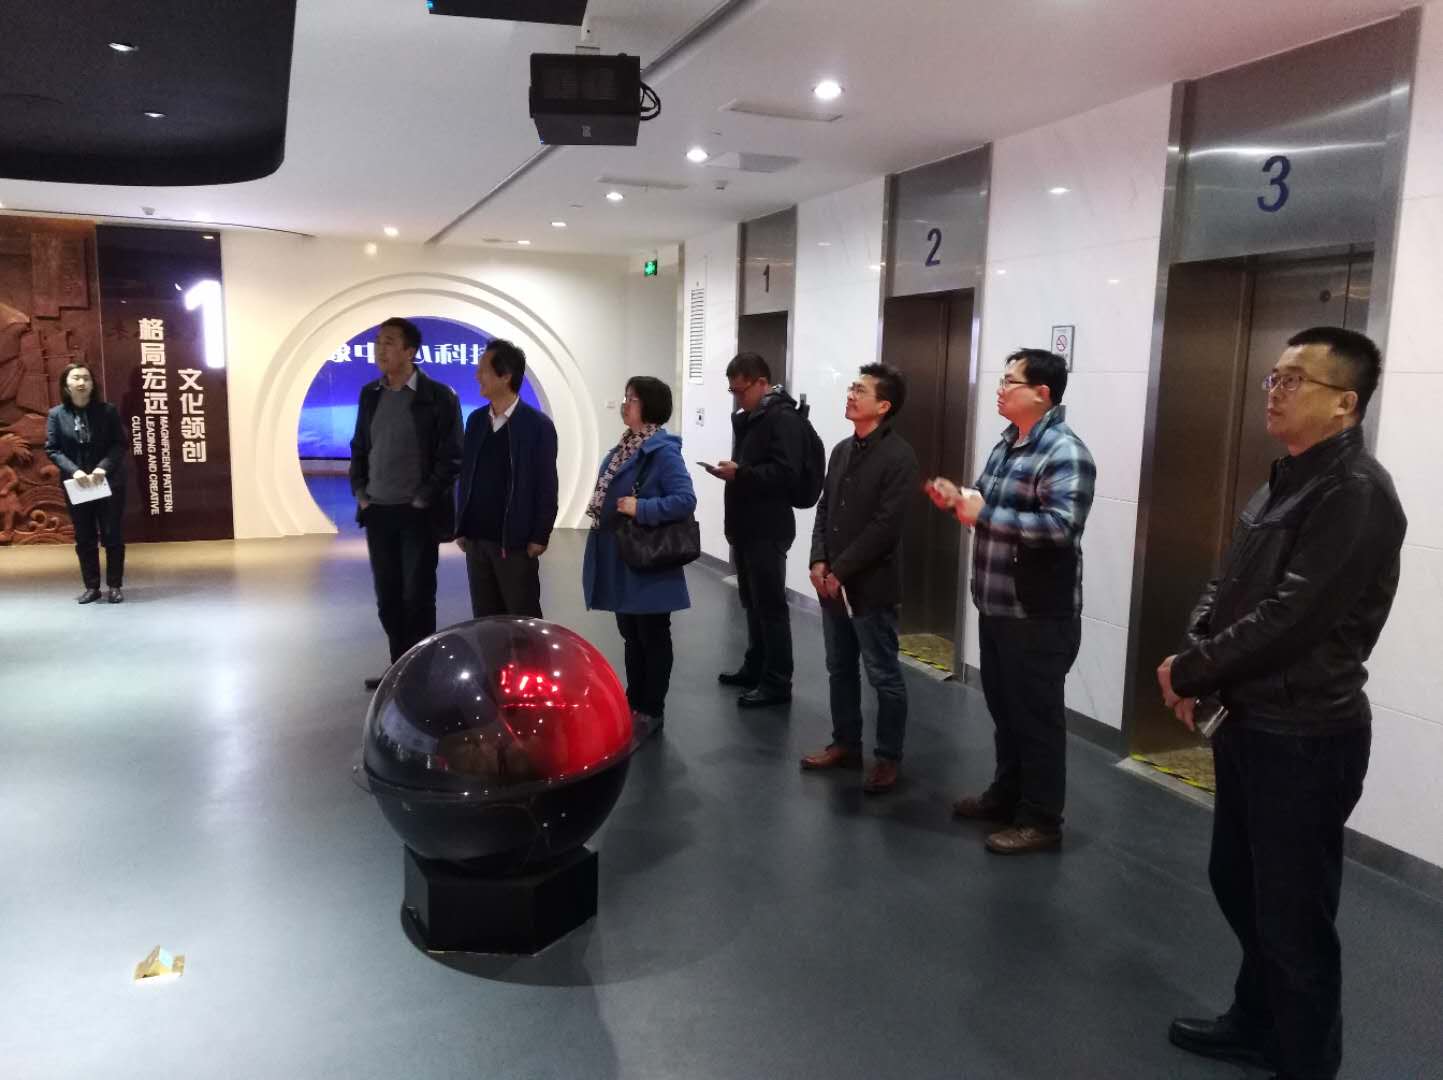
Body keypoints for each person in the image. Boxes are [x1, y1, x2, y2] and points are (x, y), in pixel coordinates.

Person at [1158, 327, 1406, 1080]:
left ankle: (1305, 1060)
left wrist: (1190, 670)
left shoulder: (1356, 493)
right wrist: (1196, 660)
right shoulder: (1285, 479)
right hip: (1252, 719)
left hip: (1305, 734)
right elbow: (1227, 581)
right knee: (1238, 882)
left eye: (1293, 380)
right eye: (1272, 376)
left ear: (1344, 404)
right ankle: (1255, 1022)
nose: (1273, 390)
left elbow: (1292, 618)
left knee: (1294, 915)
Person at [926, 347, 1095, 854]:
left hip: (1037, 613)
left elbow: (1060, 529)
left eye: (1009, 382)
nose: (999, 390)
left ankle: (1041, 819)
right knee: (1006, 711)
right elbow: (984, 501)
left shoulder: (1065, 452)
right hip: (996, 605)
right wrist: (958, 498)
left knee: (1037, 718)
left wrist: (981, 514)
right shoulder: (1007, 444)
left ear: (1041, 393)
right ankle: (1007, 795)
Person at [800, 364, 918, 793]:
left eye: (860, 390)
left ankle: (888, 758)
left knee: (883, 674)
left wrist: (841, 571)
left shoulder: (900, 457)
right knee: (839, 667)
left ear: (883, 406)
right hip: (832, 583)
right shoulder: (841, 450)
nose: (850, 395)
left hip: (871, 586)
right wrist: (818, 560)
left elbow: (885, 528)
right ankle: (845, 744)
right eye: (852, 387)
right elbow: (825, 509)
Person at [350, 317, 463, 689]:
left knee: (418, 596)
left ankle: (421, 674)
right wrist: (361, 492)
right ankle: (399, 668)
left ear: (410, 351)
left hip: (417, 513)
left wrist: (423, 497)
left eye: (389, 342)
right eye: (378, 341)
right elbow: (359, 447)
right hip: (378, 511)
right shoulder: (370, 394)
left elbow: (452, 456)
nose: (380, 349)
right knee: (388, 598)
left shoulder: (439, 396)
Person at [582, 376, 697, 740]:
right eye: (626, 397)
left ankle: (652, 708)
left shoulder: (662, 451)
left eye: (631, 399)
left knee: (652, 635)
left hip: (647, 560)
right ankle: (634, 702)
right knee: (631, 634)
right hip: (623, 556)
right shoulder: (625, 447)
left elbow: (685, 499)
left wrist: (641, 507)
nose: (625, 404)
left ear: (649, 406)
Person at [706, 352, 808, 709]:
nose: (737, 398)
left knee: (771, 606)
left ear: (762, 383)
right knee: (752, 602)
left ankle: (777, 681)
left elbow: (786, 473)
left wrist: (742, 473)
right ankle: (756, 666)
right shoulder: (752, 418)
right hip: (747, 525)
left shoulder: (783, 419)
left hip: (768, 527)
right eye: (732, 391)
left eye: (741, 390)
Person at [455, 338, 559, 619]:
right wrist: (461, 524)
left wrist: (540, 534)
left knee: (521, 619)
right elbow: (467, 475)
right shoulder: (476, 420)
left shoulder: (537, 426)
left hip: (515, 542)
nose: (477, 376)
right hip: (476, 539)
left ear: (506, 376)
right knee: (485, 621)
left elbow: (546, 484)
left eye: (484, 370)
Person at [45, 363, 128, 603]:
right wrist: (75, 471)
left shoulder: (108, 411)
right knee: (84, 536)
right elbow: (52, 449)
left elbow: (120, 443)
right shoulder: (56, 415)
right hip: (78, 485)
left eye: (86, 378)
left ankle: (114, 585)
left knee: (112, 534)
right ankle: (92, 587)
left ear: (92, 384)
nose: (81, 382)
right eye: (76, 378)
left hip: (107, 481)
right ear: (66, 385)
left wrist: (103, 467)